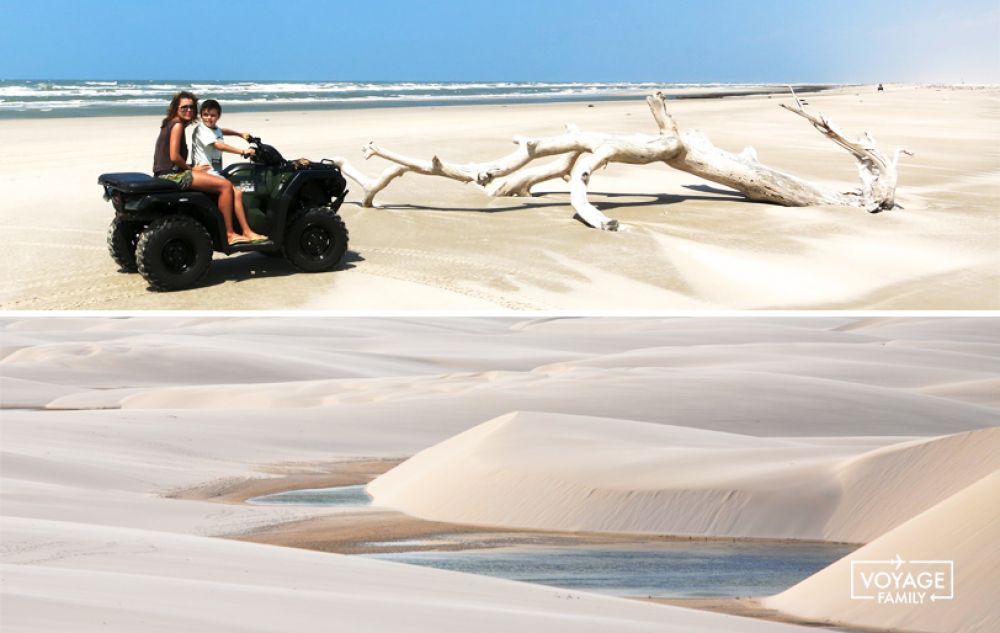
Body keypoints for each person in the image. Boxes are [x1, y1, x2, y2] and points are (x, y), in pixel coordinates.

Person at [152, 91, 266, 245]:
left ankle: (246, 231)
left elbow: (220, 130)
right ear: (175, 108)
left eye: (192, 107)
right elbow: (174, 156)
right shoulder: (178, 125)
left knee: (236, 191)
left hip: (167, 172)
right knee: (225, 186)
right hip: (171, 175)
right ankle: (229, 234)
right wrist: (191, 169)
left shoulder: (171, 123)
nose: (189, 110)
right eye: (184, 107)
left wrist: (240, 134)